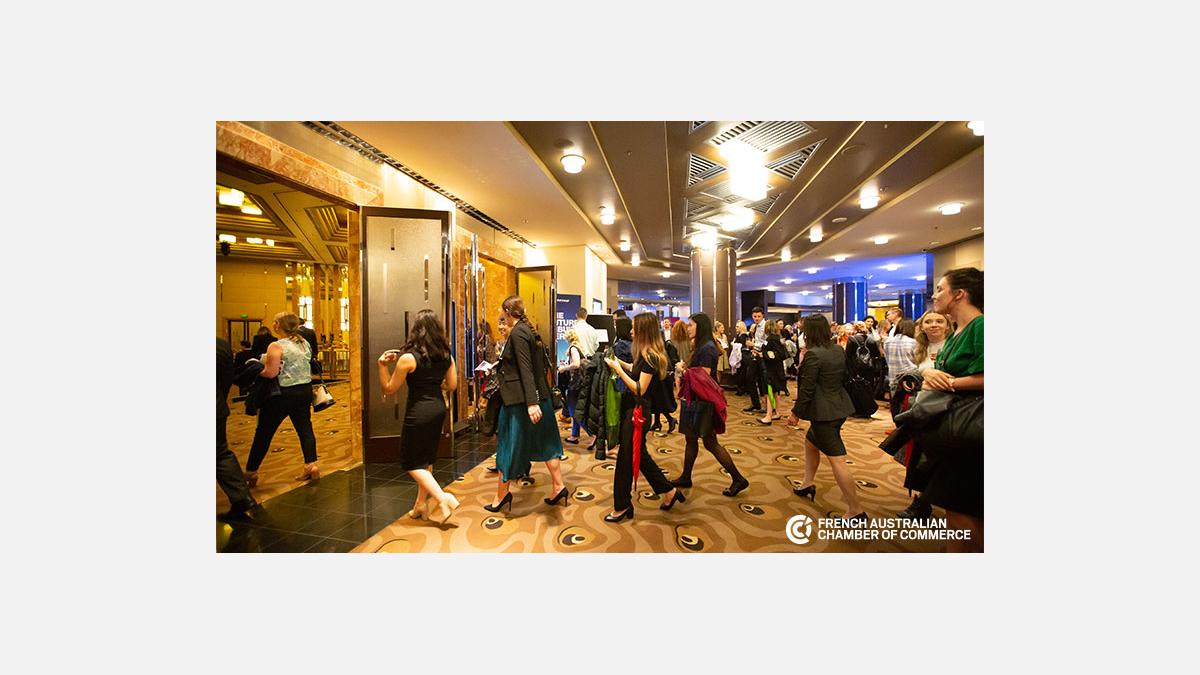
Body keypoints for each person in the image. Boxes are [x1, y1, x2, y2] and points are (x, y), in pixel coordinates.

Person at [485, 295, 569, 513]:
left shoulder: (519, 333)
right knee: (547, 442)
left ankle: (501, 495)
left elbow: (525, 369)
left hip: (521, 401)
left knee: (508, 445)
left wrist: (532, 403)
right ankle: (559, 486)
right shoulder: (527, 330)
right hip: (537, 399)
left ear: (507, 312)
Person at [920, 268, 984, 552]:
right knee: (958, 509)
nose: (934, 295)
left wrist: (950, 383)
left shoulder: (981, 326)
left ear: (959, 294)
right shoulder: (958, 330)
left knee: (961, 509)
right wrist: (929, 374)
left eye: (940, 289)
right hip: (953, 429)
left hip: (971, 429)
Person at [377, 309, 461, 523]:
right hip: (438, 409)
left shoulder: (408, 359)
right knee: (426, 459)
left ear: (416, 331)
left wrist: (382, 366)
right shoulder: (446, 356)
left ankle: (442, 497)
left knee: (410, 462)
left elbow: (389, 388)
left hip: (418, 412)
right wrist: (435, 383)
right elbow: (452, 385)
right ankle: (420, 505)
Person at [603, 313, 685, 522]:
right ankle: (669, 491)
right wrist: (619, 363)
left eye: (634, 328)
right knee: (639, 455)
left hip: (638, 413)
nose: (631, 331)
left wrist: (618, 370)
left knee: (625, 459)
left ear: (643, 331)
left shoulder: (651, 357)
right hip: (636, 410)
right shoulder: (645, 353)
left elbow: (639, 388)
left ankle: (622, 506)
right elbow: (635, 370)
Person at [787, 314, 867, 526]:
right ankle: (807, 483)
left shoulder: (813, 355)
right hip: (839, 406)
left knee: (837, 460)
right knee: (810, 443)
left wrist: (795, 413)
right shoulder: (837, 349)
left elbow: (807, 389)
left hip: (824, 413)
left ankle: (856, 510)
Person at [672, 313, 748, 496]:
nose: (688, 328)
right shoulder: (703, 345)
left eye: (691, 325)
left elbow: (702, 377)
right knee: (692, 439)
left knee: (710, 442)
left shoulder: (706, 348)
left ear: (700, 327)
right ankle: (686, 476)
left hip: (703, 402)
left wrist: (683, 371)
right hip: (697, 400)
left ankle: (738, 478)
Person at [244, 312, 319, 486]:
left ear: (278, 325)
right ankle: (311, 465)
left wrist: (256, 369)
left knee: (264, 432)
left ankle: (251, 471)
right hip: (304, 390)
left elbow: (271, 373)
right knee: (305, 429)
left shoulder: (276, 346)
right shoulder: (304, 343)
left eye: (274, 322)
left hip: (282, 394)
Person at [893, 309, 954, 520]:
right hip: (925, 407)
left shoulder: (954, 345)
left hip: (950, 409)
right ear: (922, 326)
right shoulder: (920, 348)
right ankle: (921, 502)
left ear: (947, 325)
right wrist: (916, 376)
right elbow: (918, 371)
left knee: (942, 459)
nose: (934, 325)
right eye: (929, 321)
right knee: (921, 456)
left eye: (939, 321)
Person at [217, 337, 258, 520]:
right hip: (218, 407)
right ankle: (242, 498)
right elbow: (227, 379)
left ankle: (242, 498)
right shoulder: (220, 344)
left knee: (220, 455)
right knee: (220, 454)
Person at [844, 321, 882, 418]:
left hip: (855, 369)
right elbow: (876, 354)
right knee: (868, 388)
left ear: (855, 329)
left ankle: (857, 410)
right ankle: (867, 410)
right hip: (868, 369)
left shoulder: (851, 339)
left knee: (855, 388)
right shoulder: (871, 340)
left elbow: (848, 355)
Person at [558, 328, 587, 444]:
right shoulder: (579, 348)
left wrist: (564, 368)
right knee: (575, 409)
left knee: (572, 409)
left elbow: (576, 364)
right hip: (579, 382)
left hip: (575, 383)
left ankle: (592, 434)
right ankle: (574, 435)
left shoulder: (573, 348)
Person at [758, 320, 787, 425]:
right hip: (776, 369)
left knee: (770, 390)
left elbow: (779, 354)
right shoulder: (776, 338)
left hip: (773, 369)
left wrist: (763, 355)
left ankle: (768, 416)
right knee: (775, 391)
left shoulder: (771, 339)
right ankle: (777, 413)